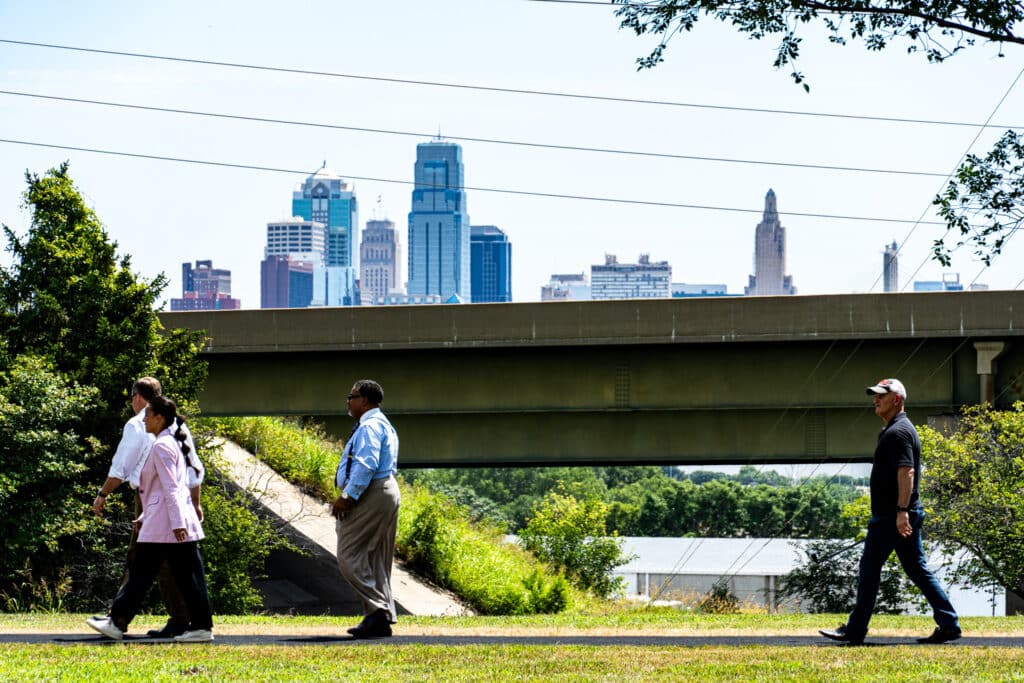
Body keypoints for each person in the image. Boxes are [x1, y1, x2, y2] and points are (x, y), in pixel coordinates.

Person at [820, 378, 961, 646]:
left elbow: (906, 471)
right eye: (874, 395)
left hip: (891, 516)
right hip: (898, 514)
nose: (875, 399)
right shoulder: (896, 429)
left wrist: (901, 511)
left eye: (881, 395)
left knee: (869, 569)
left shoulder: (898, 432)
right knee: (917, 570)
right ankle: (949, 623)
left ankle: (855, 630)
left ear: (896, 399)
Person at [87, 396, 214, 642]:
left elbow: (172, 488)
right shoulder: (168, 442)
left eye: (147, 415)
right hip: (164, 522)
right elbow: (163, 488)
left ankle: (119, 621)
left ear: (159, 418)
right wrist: (147, 514)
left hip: (167, 526)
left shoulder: (162, 446)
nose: (143, 420)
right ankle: (198, 626)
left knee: (149, 574)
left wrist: (177, 524)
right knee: (160, 575)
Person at [330, 379, 401, 639]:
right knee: (374, 559)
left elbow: (366, 464)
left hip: (372, 491)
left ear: (365, 401)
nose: (348, 401)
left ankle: (378, 610)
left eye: (352, 396)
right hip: (386, 490)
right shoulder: (383, 424)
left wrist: (348, 496)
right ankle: (379, 619)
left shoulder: (370, 426)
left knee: (348, 554)